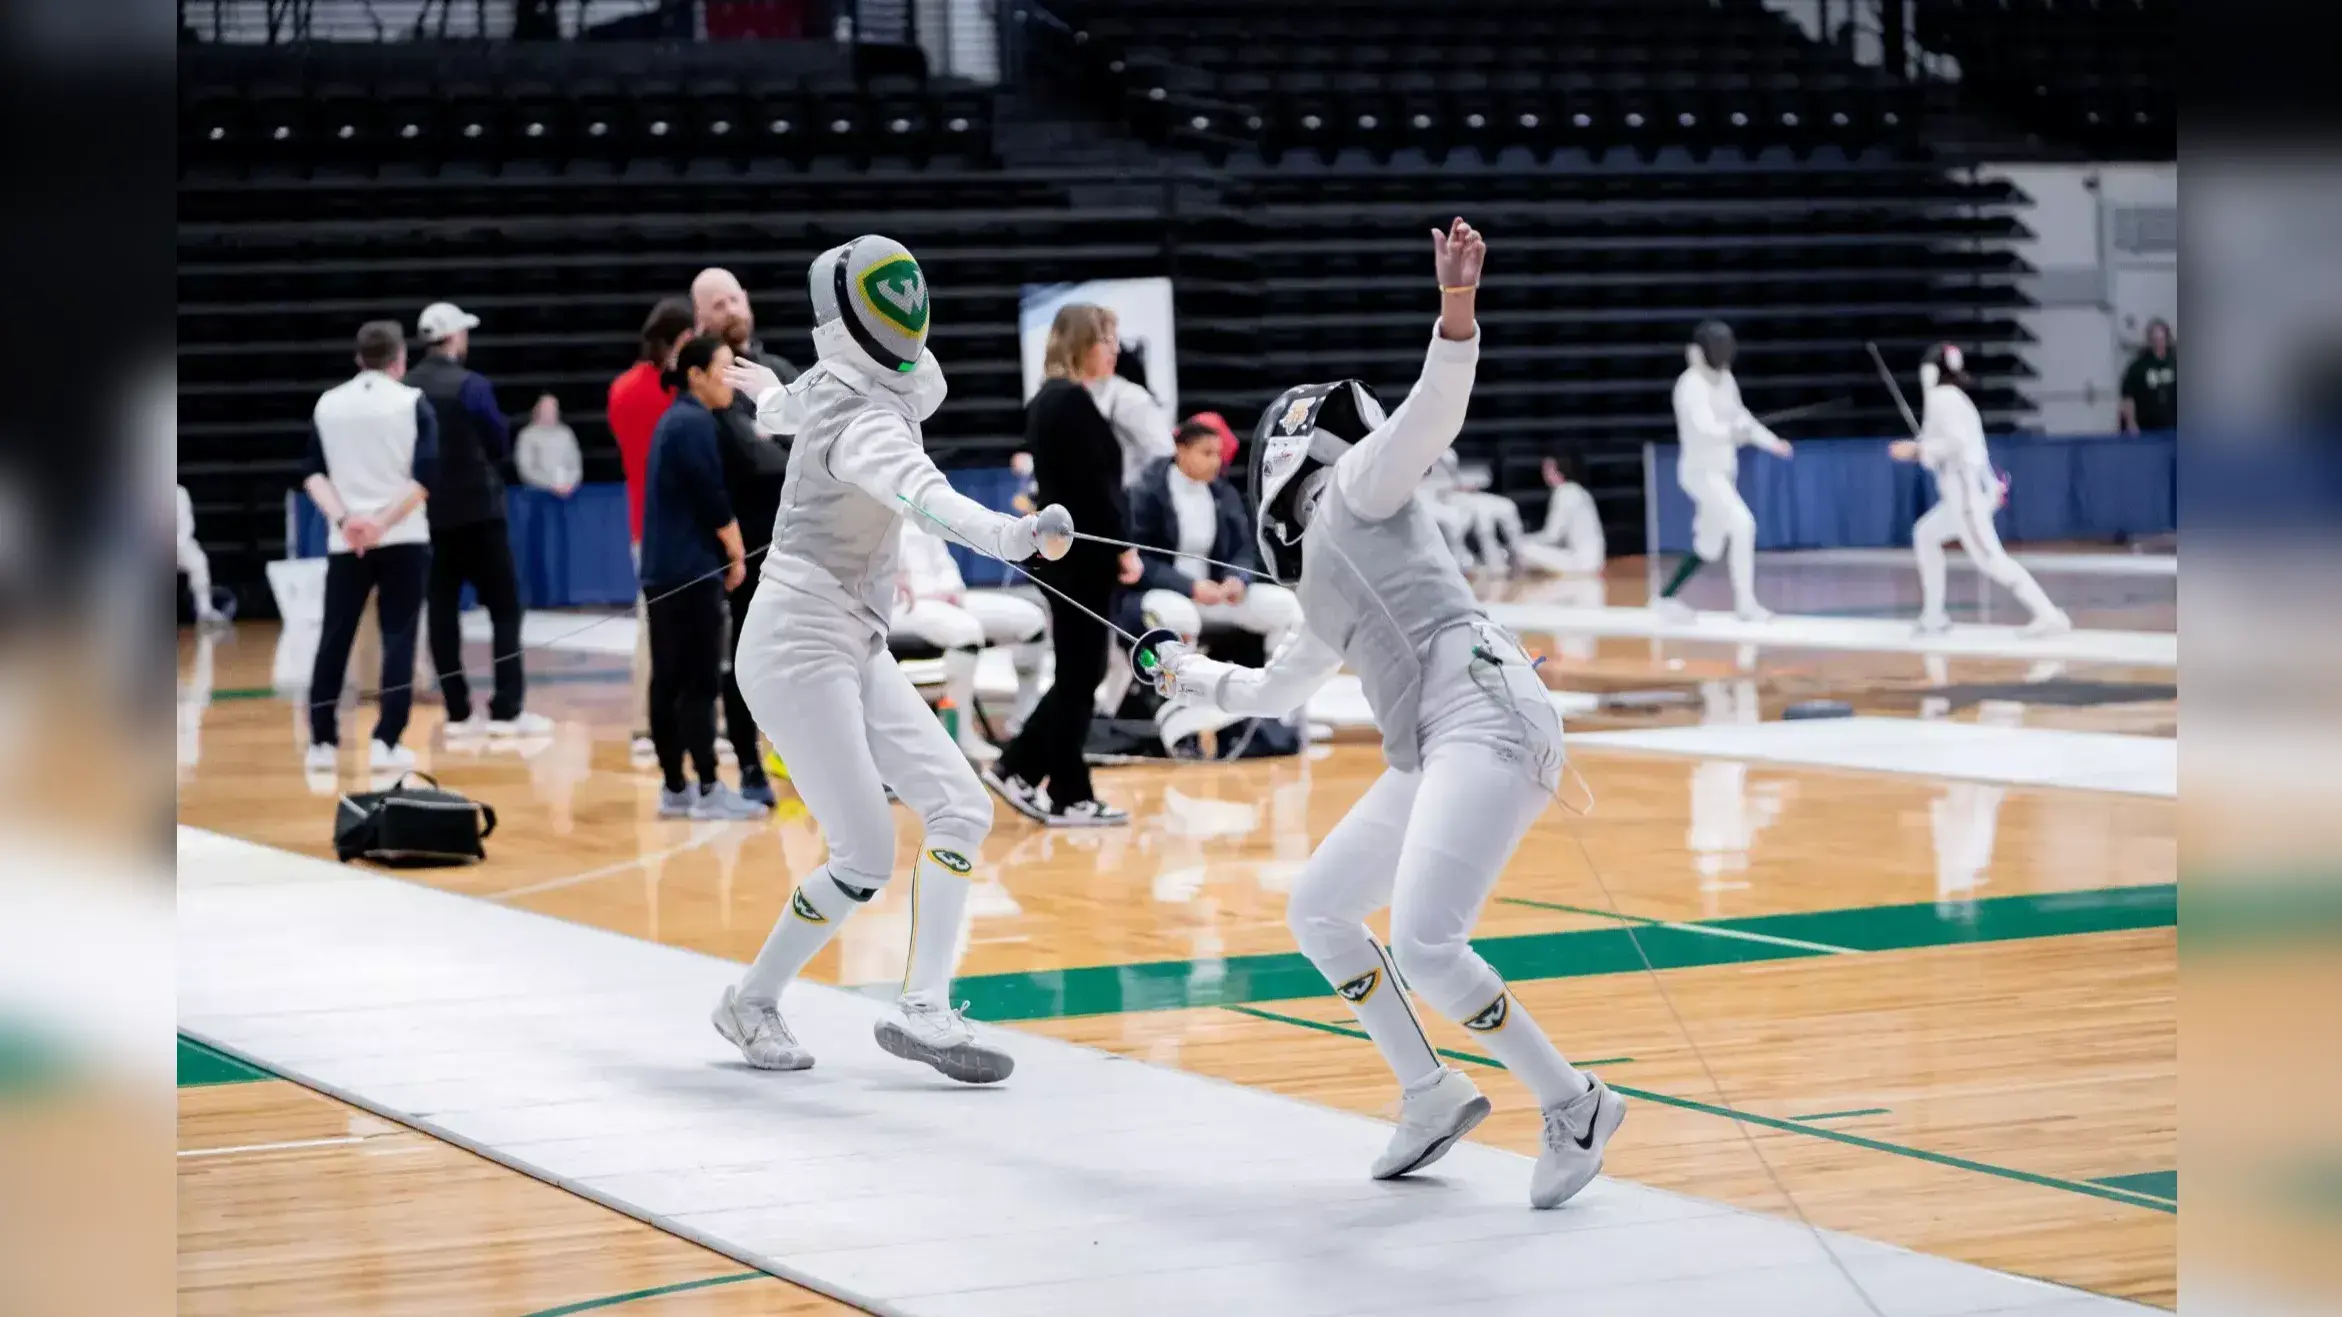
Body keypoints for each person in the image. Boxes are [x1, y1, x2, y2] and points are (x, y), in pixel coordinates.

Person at [1144, 219, 1625, 1210]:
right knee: (1318, 907)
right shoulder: (1322, 575)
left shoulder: (1356, 489)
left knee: (1424, 942)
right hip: (1440, 745)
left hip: (1488, 718)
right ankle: (1427, 1091)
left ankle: (1573, 1102)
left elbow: (1430, 412)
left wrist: (1454, 311)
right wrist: (1188, 679)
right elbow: (1275, 687)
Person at [716, 234, 1077, 1082]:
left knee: (959, 806)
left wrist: (768, 391)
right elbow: (931, 500)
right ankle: (750, 1000)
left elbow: (787, 408)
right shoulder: (869, 420)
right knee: (865, 854)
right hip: (798, 639)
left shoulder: (853, 388)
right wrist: (1016, 536)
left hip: (853, 635)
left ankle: (923, 1007)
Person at [987, 303, 1144, 827]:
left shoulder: (1049, 400)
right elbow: (1092, 490)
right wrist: (1123, 546)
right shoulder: (1070, 401)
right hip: (1083, 560)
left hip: (1068, 560)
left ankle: (1024, 769)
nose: (1114, 349)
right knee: (1083, 672)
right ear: (1082, 343)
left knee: (1081, 671)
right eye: (1106, 338)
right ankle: (1064, 789)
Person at [639, 334, 768, 820]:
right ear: (696, 375)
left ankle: (675, 787)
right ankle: (710, 787)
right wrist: (737, 555)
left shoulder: (676, 420)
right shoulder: (694, 423)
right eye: (722, 369)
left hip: (664, 569)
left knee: (668, 680)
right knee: (695, 682)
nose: (730, 381)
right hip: (689, 571)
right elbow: (711, 497)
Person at [300, 321, 438, 773]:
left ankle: (321, 742)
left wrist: (347, 521)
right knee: (398, 637)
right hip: (403, 537)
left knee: (334, 637)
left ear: (359, 358)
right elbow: (424, 479)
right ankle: (386, 741)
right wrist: (380, 523)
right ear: (399, 359)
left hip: (347, 541)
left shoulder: (327, 404)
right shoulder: (413, 402)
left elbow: (313, 474)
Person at [408, 301, 549, 737]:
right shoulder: (471, 386)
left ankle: (457, 710)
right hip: (480, 515)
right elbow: (498, 441)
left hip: (429, 516)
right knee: (505, 609)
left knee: (442, 611)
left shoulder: (407, 389)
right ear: (453, 337)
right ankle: (507, 708)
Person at [693, 267, 799, 806]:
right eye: (718, 304)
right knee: (746, 657)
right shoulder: (711, 388)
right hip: (746, 549)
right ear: (701, 318)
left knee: (810, 656)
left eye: (736, 297)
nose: (731, 309)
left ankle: (813, 757)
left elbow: (816, 443)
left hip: (801, 542)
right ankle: (750, 762)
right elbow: (754, 461)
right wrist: (788, 456)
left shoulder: (780, 371)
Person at [1889, 344, 2071, 637]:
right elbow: (1945, 444)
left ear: (1932, 372)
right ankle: (1934, 616)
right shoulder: (1951, 398)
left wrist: (1916, 450)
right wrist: (1924, 447)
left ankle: (2049, 615)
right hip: (1962, 493)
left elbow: (1955, 445)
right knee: (1925, 535)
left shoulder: (1943, 398)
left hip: (1966, 497)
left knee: (1990, 560)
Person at [1122, 415, 1301, 651]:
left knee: (1287, 607)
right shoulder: (1146, 492)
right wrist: (1190, 587)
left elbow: (1244, 549)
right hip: (1161, 592)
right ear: (1181, 449)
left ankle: (1271, 685)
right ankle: (1179, 686)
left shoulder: (1223, 494)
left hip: (1216, 594)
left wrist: (1237, 578)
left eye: (1218, 454)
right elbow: (1139, 559)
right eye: (1206, 453)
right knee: (1182, 617)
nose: (1216, 462)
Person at [1654, 319, 1792, 622]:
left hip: (1722, 473)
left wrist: (1771, 442)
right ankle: (1746, 606)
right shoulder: (1690, 384)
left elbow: (1741, 416)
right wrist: (1735, 432)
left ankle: (1664, 599)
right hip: (1700, 474)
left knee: (1709, 546)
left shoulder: (1724, 378)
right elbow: (1704, 428)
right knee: (1743, 525)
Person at [610, 298, 699, 759]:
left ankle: (648, 725)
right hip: (682, 525)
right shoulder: (679, 391)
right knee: (695, 629)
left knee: (653, 627)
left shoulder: (621, 389)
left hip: (642, 527)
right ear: (682, 339)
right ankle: (699, 724)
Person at [891, 522, 1047, 760]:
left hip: (946, 597)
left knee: (1032, 620)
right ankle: (961, 736)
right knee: (965, 631)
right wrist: (924, 593)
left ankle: (1022, 724)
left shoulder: (915, 503)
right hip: (903, 605)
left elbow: (943, 562)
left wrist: (951, 588)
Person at [1519, 453, 1605, 575]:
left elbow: (1552, 536)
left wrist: (1523, 539)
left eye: (1547, 468)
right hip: (1594, 561)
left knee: (1522, 549)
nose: (1543, 472)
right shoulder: (1579, 490)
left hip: (1580, 563)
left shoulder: (1563, 493)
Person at [176, 484, 227, 625]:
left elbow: (187, 524)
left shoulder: (180, 492)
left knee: (198, 562)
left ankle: (204, 611)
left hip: (178, 545)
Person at [513, 394, 581, 495]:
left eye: (553, 409)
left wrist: (570, 483)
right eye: (547, 410)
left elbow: (575, 465)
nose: (551, 413)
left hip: (568, 492)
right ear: (538, 411)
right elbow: (525, 470)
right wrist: (551, 485)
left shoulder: (566, 433)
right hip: (536, 494)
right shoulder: (527, 435)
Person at [2118, 317, 2177, 434]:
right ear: (2149, 339)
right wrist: (2131, 423)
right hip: (2146, 431)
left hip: (2173, 431)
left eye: (2161, 337)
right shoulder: (2137, 367)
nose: (2158, 341)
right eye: (2154, 337)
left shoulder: (2176, 364)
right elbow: (2127, 397)